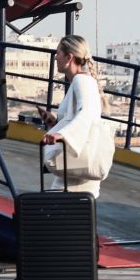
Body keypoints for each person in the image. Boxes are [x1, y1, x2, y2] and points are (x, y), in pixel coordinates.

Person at [42, 35, 107, 198]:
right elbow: (78, 117)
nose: (55, 57)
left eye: (58, 53)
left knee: (53, 214)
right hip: (73, 171)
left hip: (76, 177)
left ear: (69, 57)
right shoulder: (81, 81)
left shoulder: (81, 81)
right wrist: (55, 123)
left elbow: (88, 113)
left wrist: (62, 135)